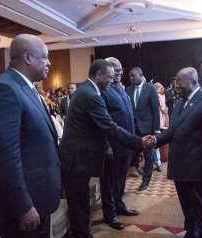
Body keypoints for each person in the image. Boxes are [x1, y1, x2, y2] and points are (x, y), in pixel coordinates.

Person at [0, 34, 62, 238]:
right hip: (21, 206)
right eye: (44, 57)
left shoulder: (26, 87)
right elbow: (5, 156)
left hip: (38, 196)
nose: (49, 63)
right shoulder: (4, 90)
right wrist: (24, 206)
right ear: (28, 58)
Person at [60, 59, 149, 238]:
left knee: (80, 198)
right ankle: (81, 233)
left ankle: (81, 231)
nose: (112, 80)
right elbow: (109, 126)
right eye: (108, 77)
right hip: (77, 157)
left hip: (79, 156)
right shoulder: (91, 95)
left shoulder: (89, 89)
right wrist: (139, 142)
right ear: (99, 75)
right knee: (79, 200)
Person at [146, 67, 202, 238]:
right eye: (176, 82)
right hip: (180, 168)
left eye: (180, 82)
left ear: (193, 81)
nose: (176, 85)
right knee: (187, 207)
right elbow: (173, 130)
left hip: (199, 169)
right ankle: (192, 232)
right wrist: (156, 140)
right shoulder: (180, 102)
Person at [100, 57, 138, 230]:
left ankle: (119, 205)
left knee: (121, 179)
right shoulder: (103, 90)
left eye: (120, 68)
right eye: (115, 69)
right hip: (112, 146)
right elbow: (102, 123)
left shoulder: (120, 89)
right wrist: (106, 145)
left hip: (125, 144)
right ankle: (110, 214)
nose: (119, 72)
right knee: (109, 181)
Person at [126, 67, 160, 191]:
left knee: (148, 156)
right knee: (132, 153)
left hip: (147, 129)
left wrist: (156, 130)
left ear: (141, 75)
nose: (130, 78)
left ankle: (145, 181)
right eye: (129, 76)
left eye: (132, 76)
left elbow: (155, 110)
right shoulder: (128, 89)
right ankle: (132, 169)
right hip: (133, 129)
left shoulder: (150, 88)